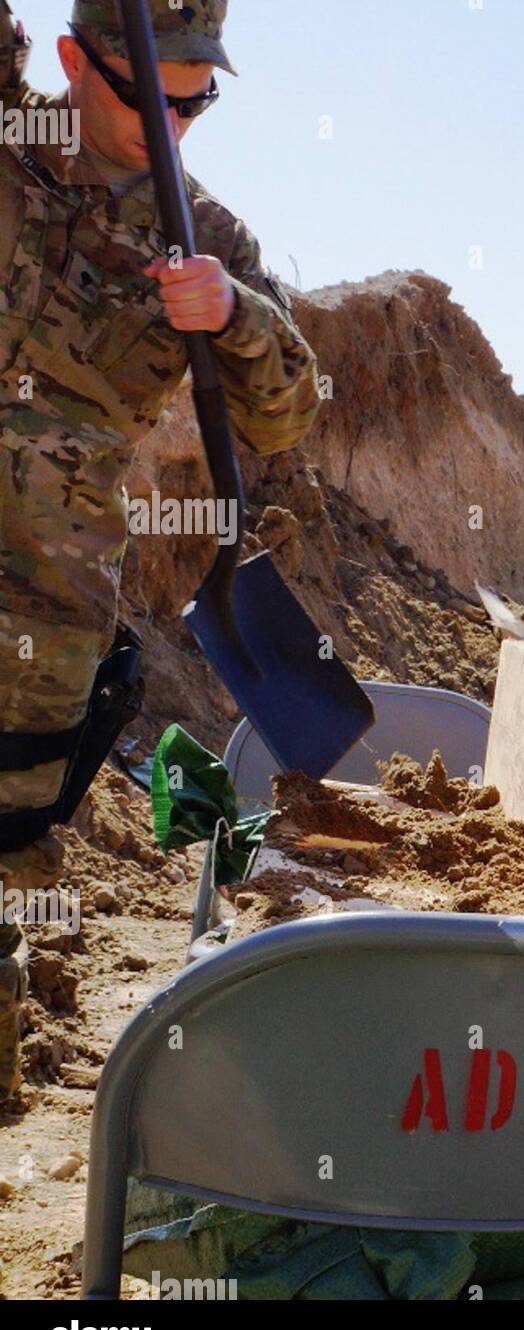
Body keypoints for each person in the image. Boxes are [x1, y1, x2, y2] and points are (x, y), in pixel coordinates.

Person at [0, 0, 320, 1099]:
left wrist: (234, 315)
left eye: (199, 100)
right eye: (150, 92)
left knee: (7, 842)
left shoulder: (208, 238)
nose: (175, 124)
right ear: (73, 59)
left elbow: (284, 418)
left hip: (43, 597)